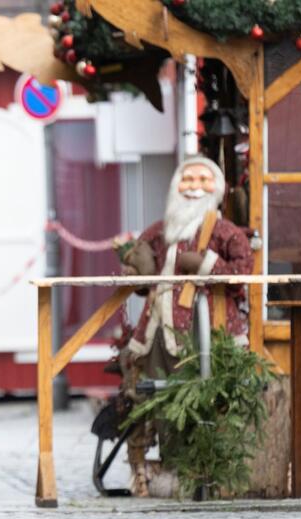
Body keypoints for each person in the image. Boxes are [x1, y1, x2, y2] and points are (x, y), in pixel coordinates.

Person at [119, 156, 253, 496]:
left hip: (209, 333)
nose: (194, 186)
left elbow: (243, 275)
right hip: (159, 332)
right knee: (161, 402)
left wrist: (207, 263)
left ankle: (212, 475)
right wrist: (134, 271)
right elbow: (136, 260)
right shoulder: (161, 230)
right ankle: (170, 470)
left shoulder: (225, 232)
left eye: (202, 180)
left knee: (209, 402)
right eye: (187, 179)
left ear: (217, 189)